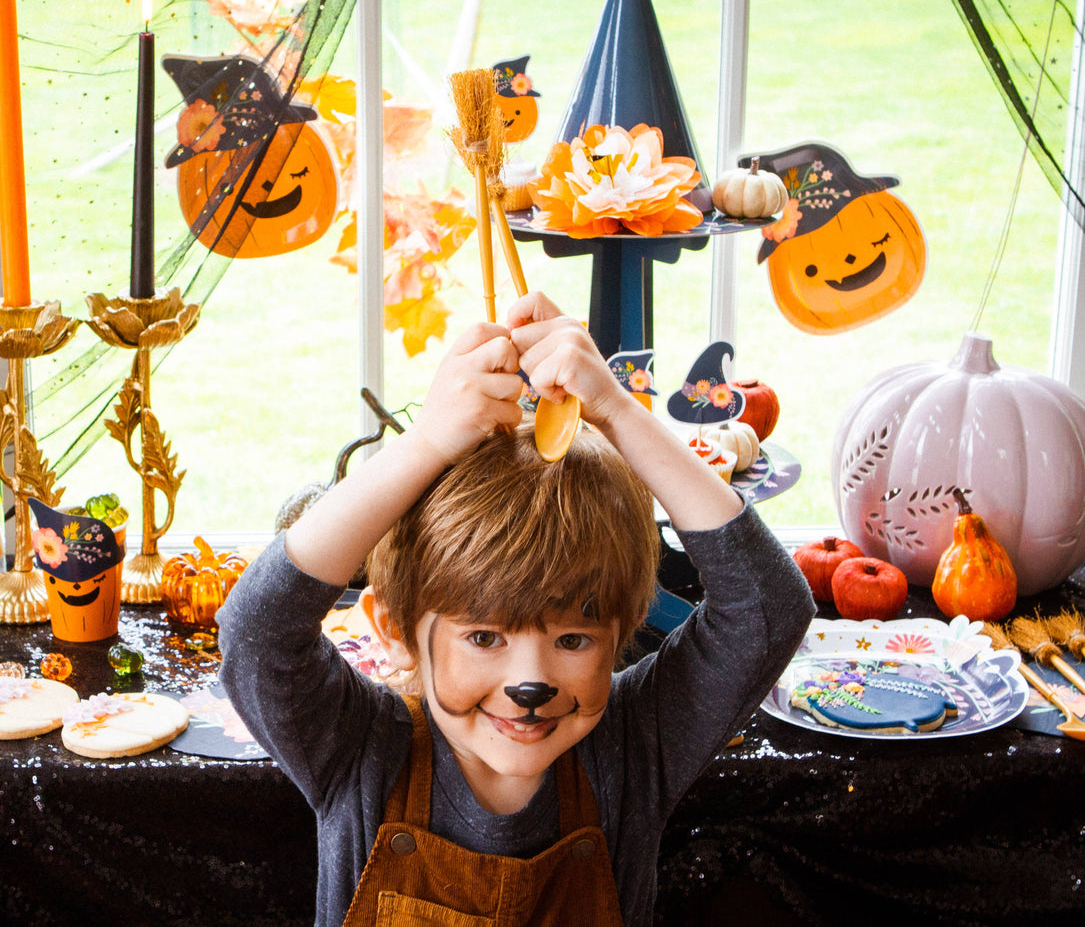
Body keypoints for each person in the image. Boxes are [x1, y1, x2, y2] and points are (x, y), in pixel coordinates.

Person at [218, 292, 815, 926]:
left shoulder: (635, 747)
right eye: (483, 638)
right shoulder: (359, 750)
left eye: (574, 640)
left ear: (622, 631)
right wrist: (425, 445)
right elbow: (258, 632)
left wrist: (615, 412)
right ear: (393, 628)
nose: (530, 682)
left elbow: (769, 609)